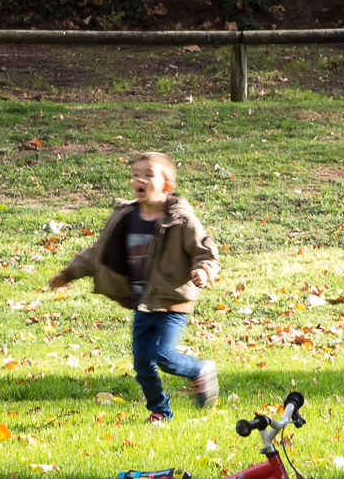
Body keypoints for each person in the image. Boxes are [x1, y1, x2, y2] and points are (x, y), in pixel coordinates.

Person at [49, 152, 220, 422]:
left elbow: (206, 252)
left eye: (148, 174)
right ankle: (159, 410)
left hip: (173, 302)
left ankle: (200, 370)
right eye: (135, 174)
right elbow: (98, 253)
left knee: (162, 355)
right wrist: (69, 274)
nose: (139, 179)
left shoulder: (182, 220)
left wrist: (203, 271)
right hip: (144, 303)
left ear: (166, 186)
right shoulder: (125, 217)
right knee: (142, 365)